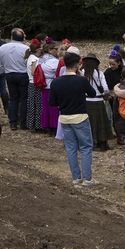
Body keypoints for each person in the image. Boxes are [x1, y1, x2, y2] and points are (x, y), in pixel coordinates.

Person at [52, 52, 99, 186]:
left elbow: (52, 102)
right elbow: (92, 93)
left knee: (71, 147)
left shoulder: (56, 82)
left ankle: (76, 177)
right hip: (80, 116)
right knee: (85, 147)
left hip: (65, 117)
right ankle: (87, 178)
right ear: (77, 64)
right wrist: (82, 78)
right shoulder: (81, 80)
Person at [80, 55, 115, 152]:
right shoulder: (99, 74)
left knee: (88, 124)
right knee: (100, 123)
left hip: (86, 101)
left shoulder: (82, 73)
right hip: (98, 101)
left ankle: (89, 143)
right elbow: (106, 88)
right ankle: (102, 143)